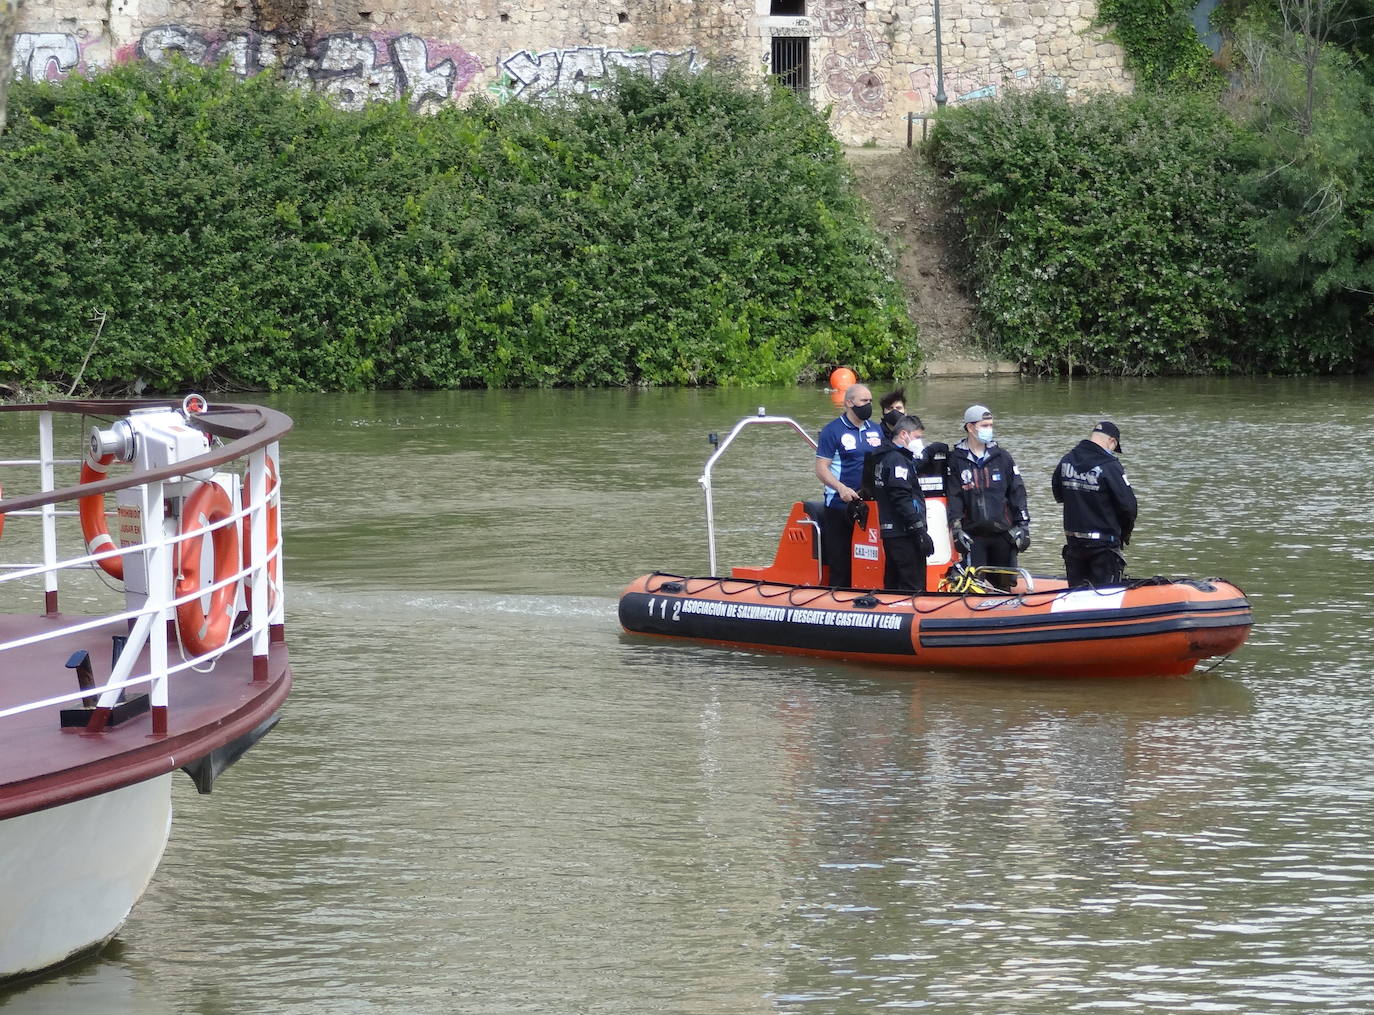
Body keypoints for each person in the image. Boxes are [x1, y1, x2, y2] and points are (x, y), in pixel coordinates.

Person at [945, 404, 1031, 592]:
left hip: (1002, 532)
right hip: (973, 535)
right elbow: (954, 497)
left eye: (990, 425)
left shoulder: (1002, 457)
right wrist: (956, 528)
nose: (989, 429)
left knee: (1005, 585)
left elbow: (1017, 492)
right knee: (973, 585)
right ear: (970, 427)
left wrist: (1023, 525)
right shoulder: (956, 460)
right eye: (984, 425)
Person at [1051, 420, 1137, 587]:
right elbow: (1128, 506)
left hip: (1074, 542)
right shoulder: (1110, 465)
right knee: (1105, 599)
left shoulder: (1066, 460)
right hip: (1104, 546)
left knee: (1076, 598)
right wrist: (1124, 534)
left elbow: (1058, 493)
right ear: (1112, 442)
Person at [814, 383, 885, 588]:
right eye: (864, 401)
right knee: (841, 562)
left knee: (871, 559)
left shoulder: (877, 430)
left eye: (870, 401)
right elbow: (821, 468)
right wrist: (841, 488)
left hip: (871, 506)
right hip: (840, 505)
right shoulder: (832, 431)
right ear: (849, 402)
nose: (868, 405)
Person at [872, 416, 936, 592]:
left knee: (893, 581)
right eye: (916, 437)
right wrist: (919, 530)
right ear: (903, 434)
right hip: (904, 532)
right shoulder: (897, 460)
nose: (919, 442)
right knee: (912, 584)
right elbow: (901, 496)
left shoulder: (883, 457)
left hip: (892, 531)